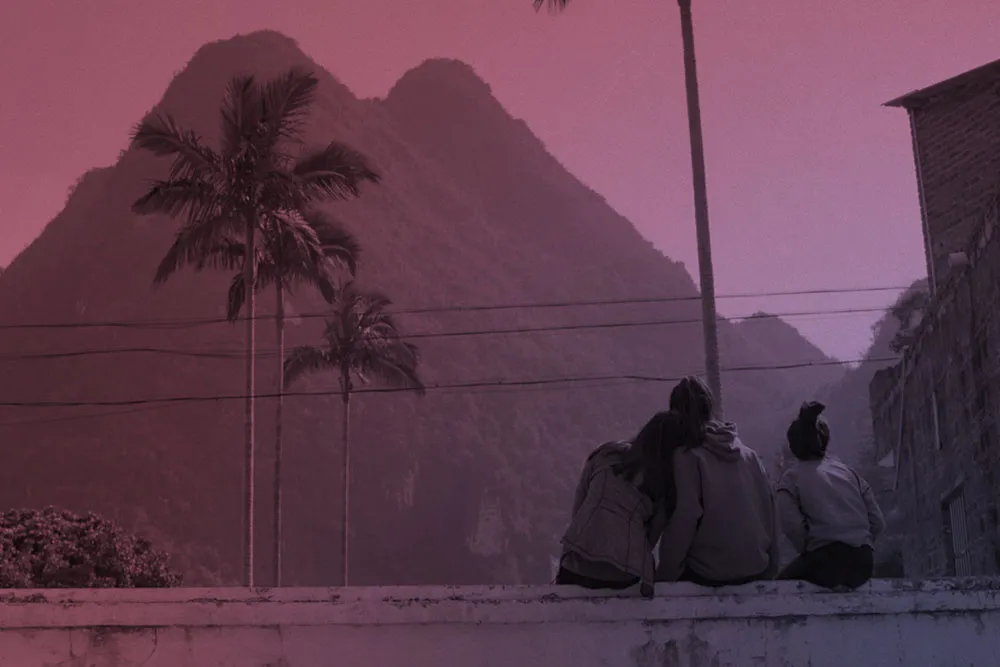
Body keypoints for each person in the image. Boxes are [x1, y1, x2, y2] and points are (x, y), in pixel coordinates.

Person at [655, 376, 779, 586]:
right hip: (757, 568)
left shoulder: (687, 457)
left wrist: (664, 575)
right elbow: (771, 514)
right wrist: (772, 568)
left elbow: (684, 519)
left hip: (710, 574)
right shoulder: (750, 456)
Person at [557, 411, 682, 598]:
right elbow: (648, 542)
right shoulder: (664, 484)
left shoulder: (605, 454)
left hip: (576, 565)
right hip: (622, 575)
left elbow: (579, 509)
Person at [775, 401, 886, 590]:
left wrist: (810, 549)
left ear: (793, 446)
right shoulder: (850, 474)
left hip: (823, 562)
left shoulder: (790, 480)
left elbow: (792, 526)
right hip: (863, 565)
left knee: (776, 590)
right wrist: (861, 543)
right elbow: (878, 522)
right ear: (825, 440)